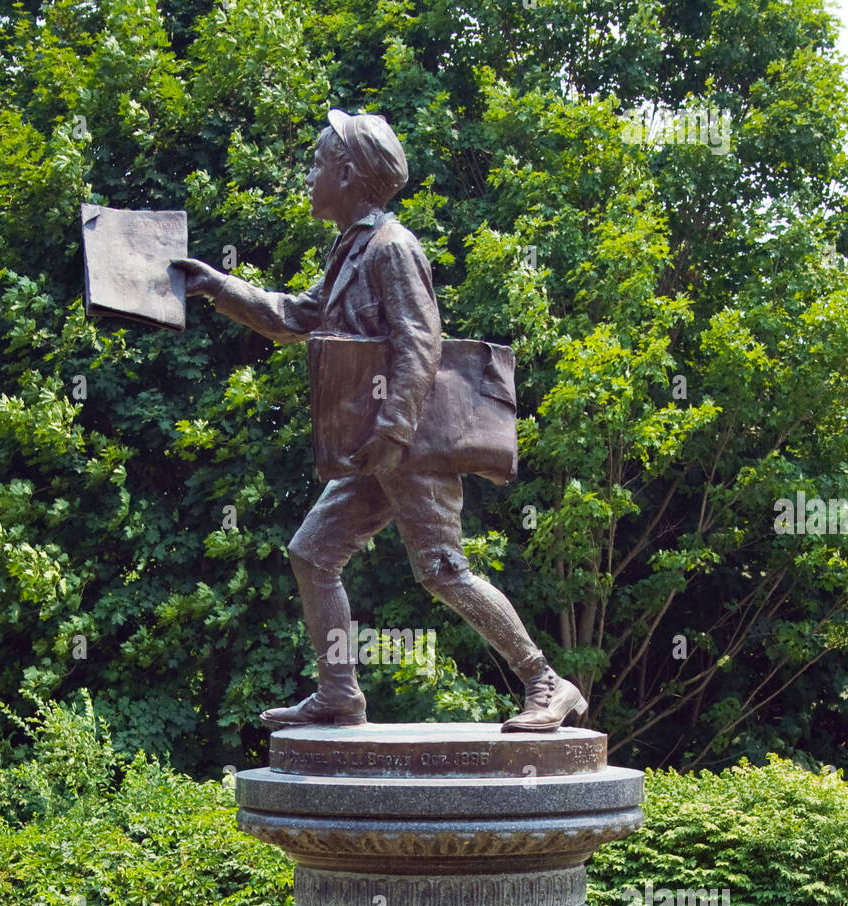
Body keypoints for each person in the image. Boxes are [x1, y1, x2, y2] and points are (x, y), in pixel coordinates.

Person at [173, 109, 587, 733]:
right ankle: (339, 694)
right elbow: (298, 316)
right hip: (374, 448)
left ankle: (546, 681)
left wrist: (393, 432)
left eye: (317, 164)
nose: (309, 175)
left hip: (408, 443)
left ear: (347, 174)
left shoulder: (393, 247)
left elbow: (421, 342)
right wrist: (219, 286)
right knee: (313, 556)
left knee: (444, 572)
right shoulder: (353, 247)